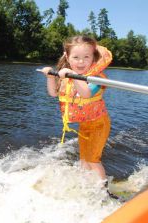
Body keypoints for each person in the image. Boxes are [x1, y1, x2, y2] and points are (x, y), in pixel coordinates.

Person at [39, 35, 112, 180]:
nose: (81, 62)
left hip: (99, 125)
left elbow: (85, 93)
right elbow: (53, 93)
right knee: (83, 159)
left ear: (93, 57)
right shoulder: (67, 75)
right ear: (67, 56)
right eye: (76, 57)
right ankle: (86, 184)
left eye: (86, 57)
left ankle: (103, 191)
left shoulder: (96, 78)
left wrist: (72, 76)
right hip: (85, 124)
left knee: (93, 159)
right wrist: (50, 77)